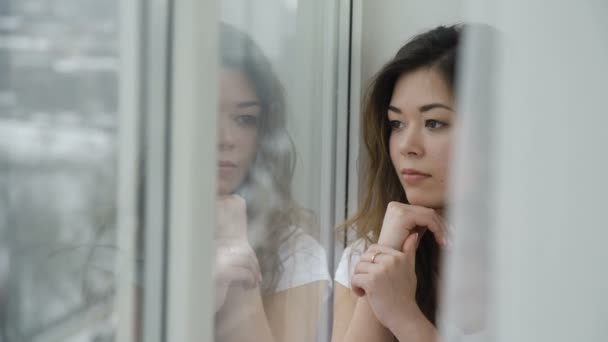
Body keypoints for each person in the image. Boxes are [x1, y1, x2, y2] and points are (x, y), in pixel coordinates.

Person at [332, 25, 462, 342]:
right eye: (397, 124)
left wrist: (404, 317)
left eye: (434, 123)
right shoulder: (364, 254)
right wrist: (384, 252)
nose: (407, 145)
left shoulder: (543, 257)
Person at [214, 23, 330, 342]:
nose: (225, 139)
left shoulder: (294, 254)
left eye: (244, 119)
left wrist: (236, 257)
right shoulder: (135, 234)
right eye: (205, 114)